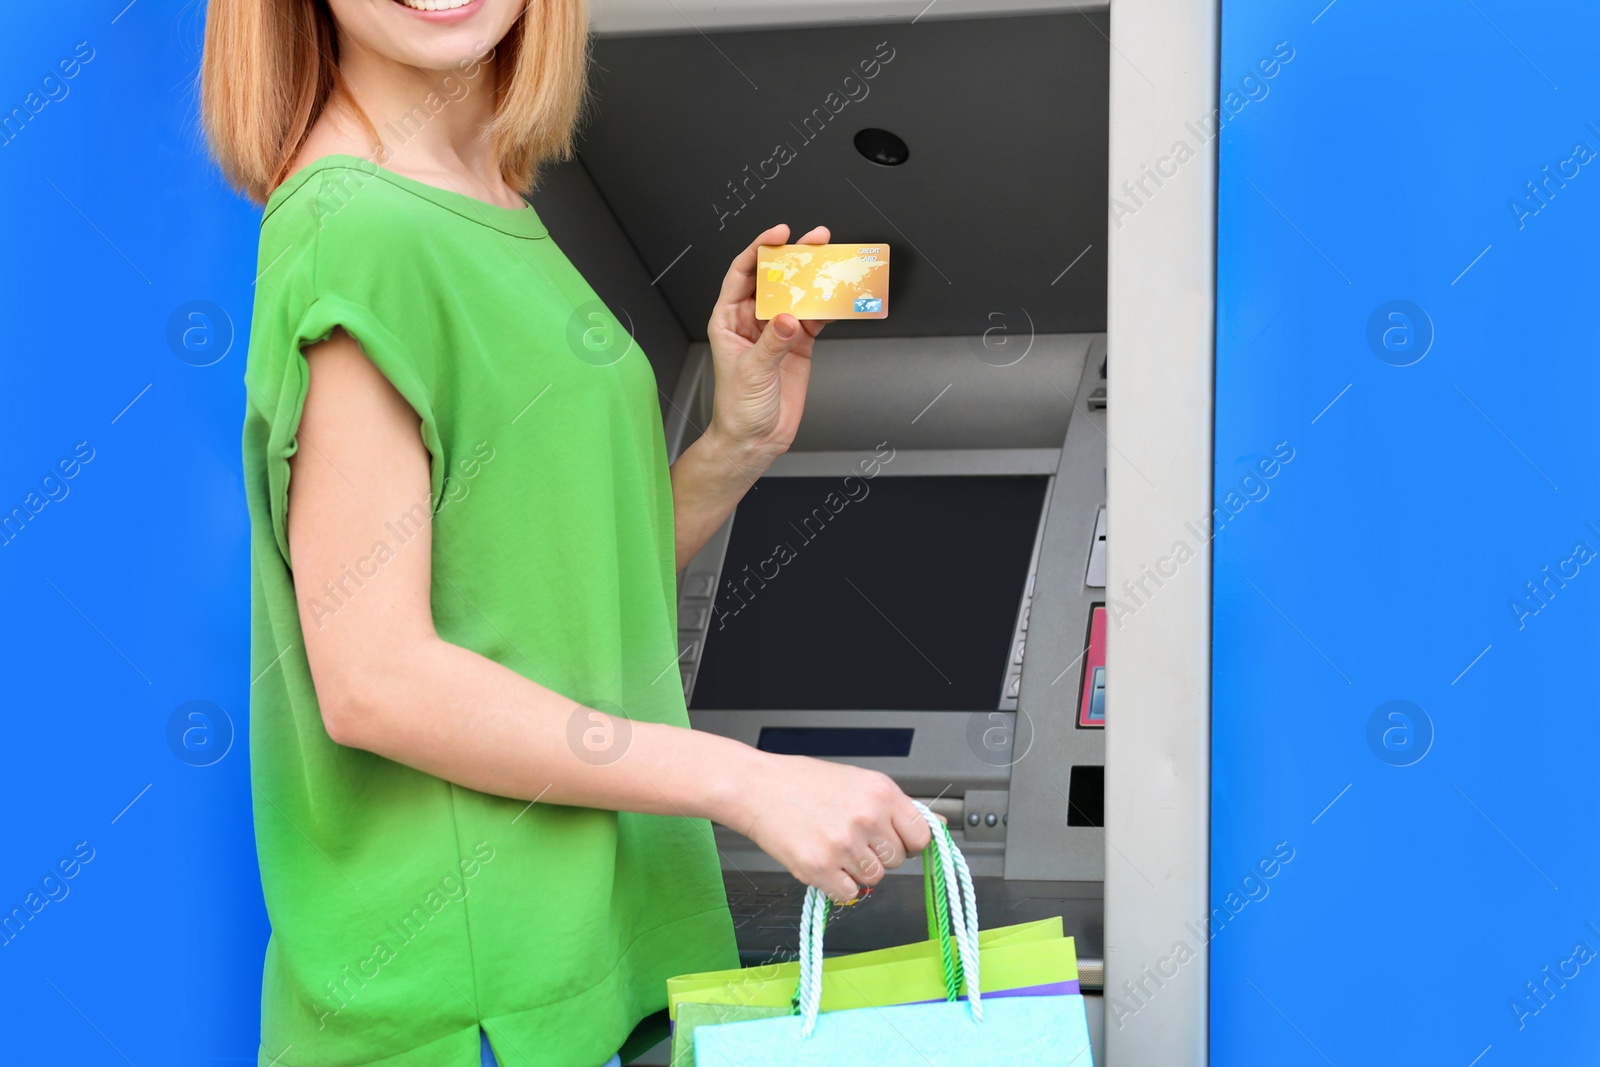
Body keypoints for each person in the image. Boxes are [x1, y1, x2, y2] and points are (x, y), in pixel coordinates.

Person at [201, 0, 932, 1064]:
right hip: (471, 1003)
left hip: (604, 958)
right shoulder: (356, 227)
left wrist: (734, 442)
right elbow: (376, 678)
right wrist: (744, 779)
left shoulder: (487, 195)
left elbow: (538, 591)